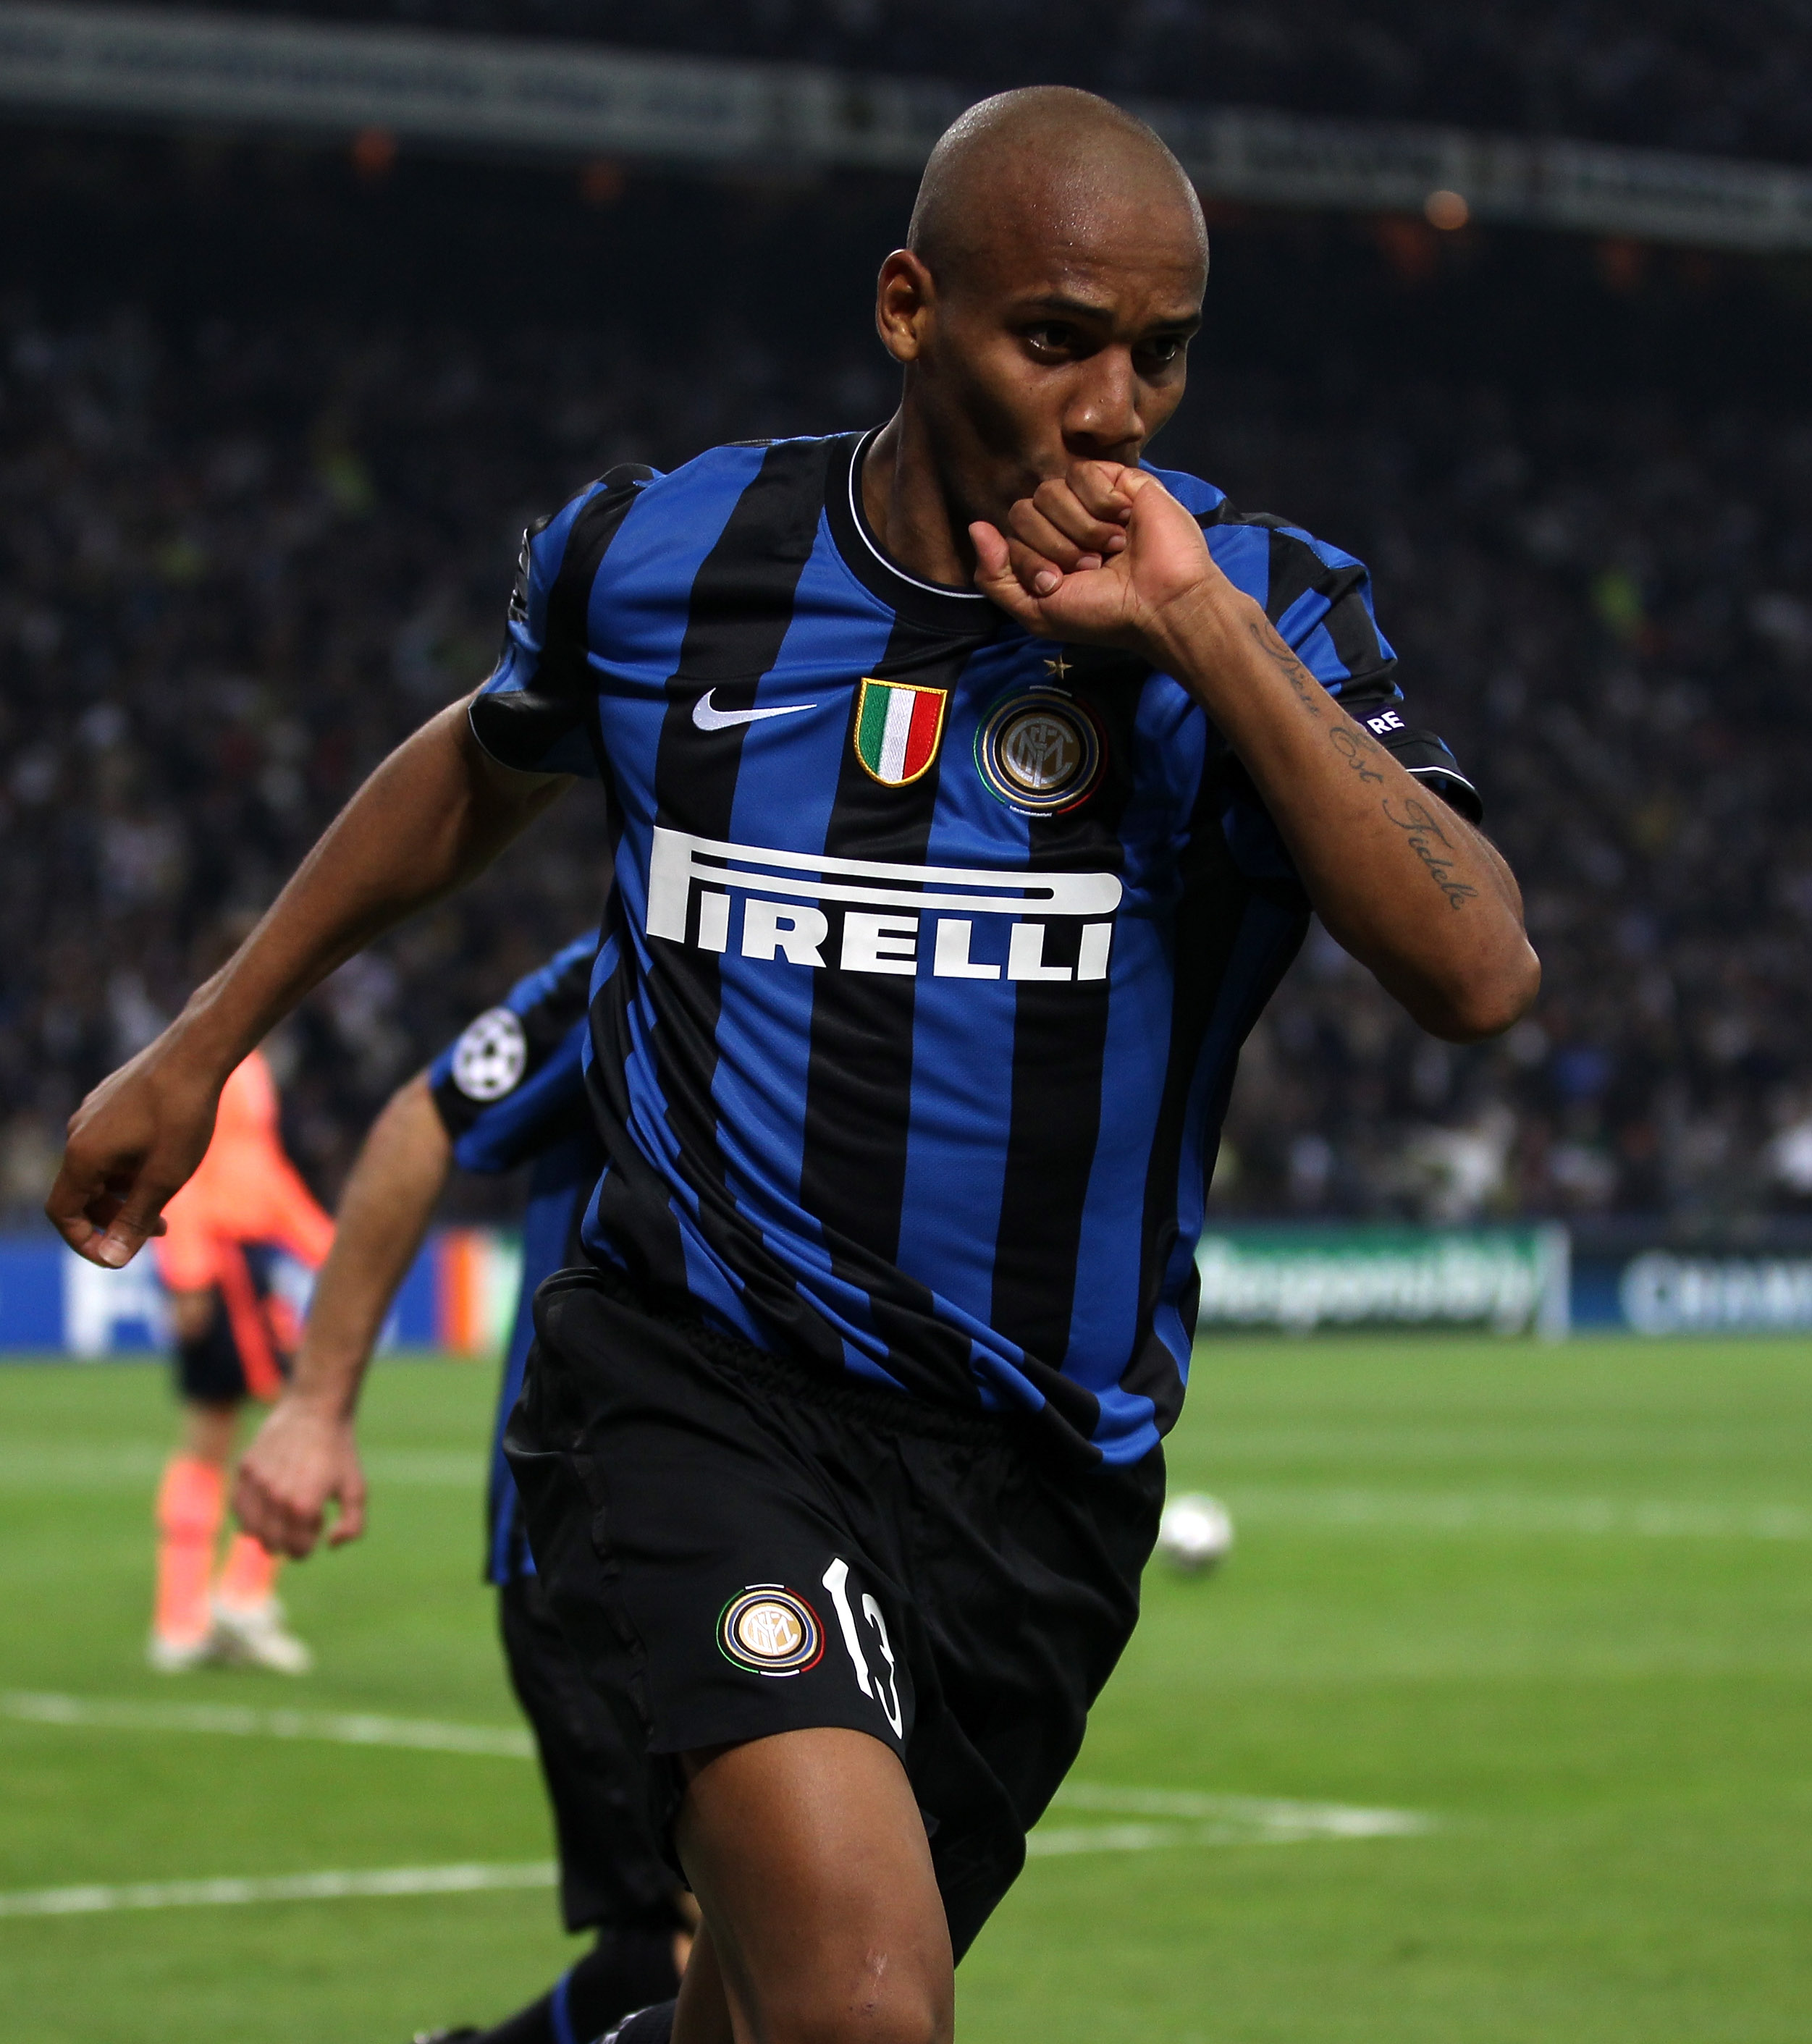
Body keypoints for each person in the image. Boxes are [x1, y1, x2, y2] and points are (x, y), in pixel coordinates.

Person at [51, 86, 1539, 2044]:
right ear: (908, 306)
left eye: (1157, 355)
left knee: (745, 2020)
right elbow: (475, 772)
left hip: (1037, 1480)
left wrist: (1192, 630)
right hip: (697, 1389)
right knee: (860, 2016)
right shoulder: (672, 555)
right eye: (1054, 339)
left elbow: (1471, 968)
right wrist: (202, 1035)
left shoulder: (1257, 607)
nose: (1113, 411)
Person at [232, 932, 695, 2044]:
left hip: (782, 1528)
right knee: (726, 1949)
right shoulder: (634, 956)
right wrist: (314, 1404)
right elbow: (425, 1117)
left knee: (703, 1953)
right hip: (587, 1542)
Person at [148, 1039, 333, 1672]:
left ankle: (186, 1619)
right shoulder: (216, 1062)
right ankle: (235, 1599)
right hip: (223, 1261)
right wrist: (190, 1268)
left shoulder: (250, 1064)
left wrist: (325, 1245)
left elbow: (263, 1170)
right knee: (294, 1425)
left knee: (225, 1436)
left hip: (244, 1260)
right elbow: (183, 1164)